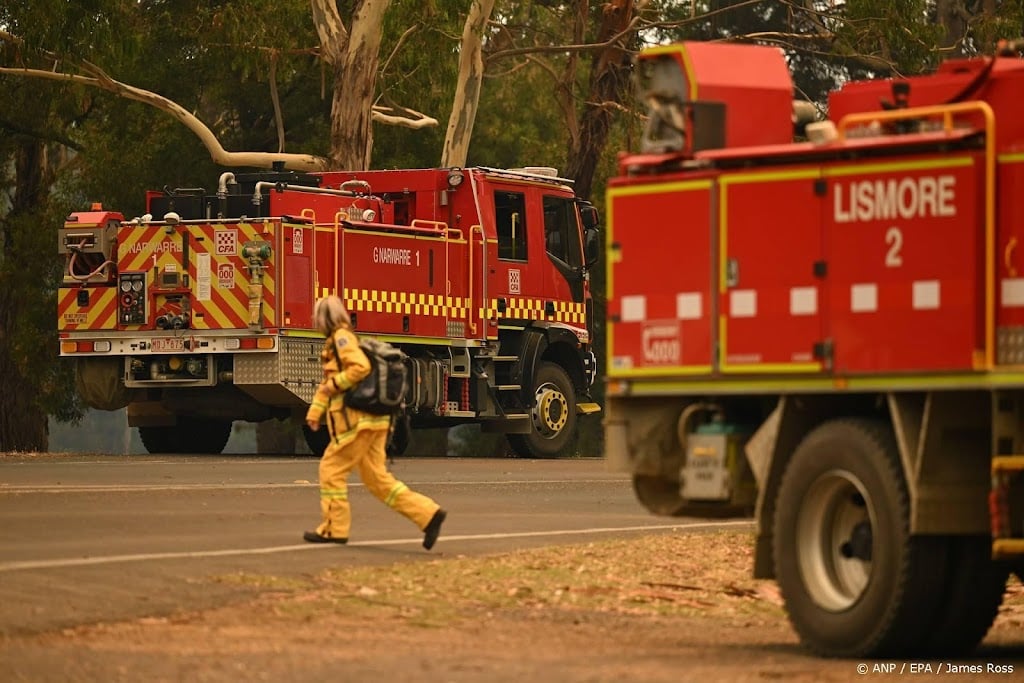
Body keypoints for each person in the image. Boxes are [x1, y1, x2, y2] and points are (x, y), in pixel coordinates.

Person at [304, 295, 447, 549]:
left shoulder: (341, 338)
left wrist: (333, 386)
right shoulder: (339, 340)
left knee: (331, 470)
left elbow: (357, 369)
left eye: (316, 314)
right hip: (375, 423)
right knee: (379, 481)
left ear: (326, 317)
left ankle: (334, 529)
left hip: (358, 425)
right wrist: (315, 413)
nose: (313, 319)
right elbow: (329, 385)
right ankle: (429, 514)